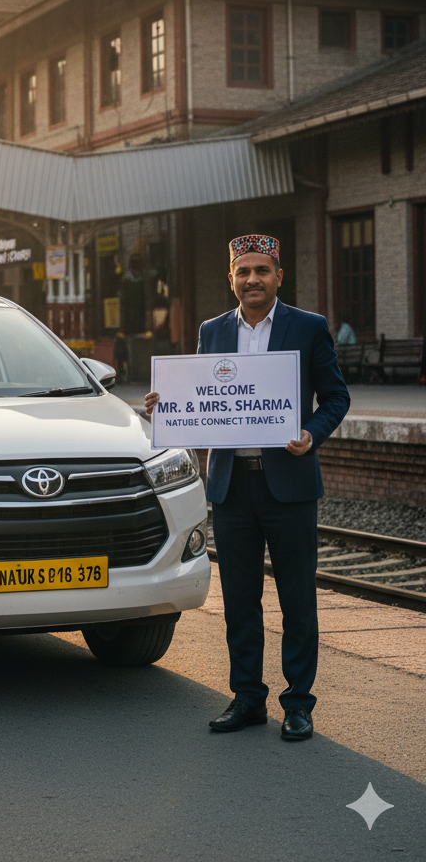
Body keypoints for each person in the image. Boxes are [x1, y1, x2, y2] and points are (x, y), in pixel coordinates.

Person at [145, 234, 349, 742]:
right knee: (240, 599)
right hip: (231, 488)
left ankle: (298, 704)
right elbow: (203, 398)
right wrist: (165, 408)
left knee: (298, 599)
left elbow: (336, 398)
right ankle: (248, 698)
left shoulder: (308, 327)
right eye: (243, 272)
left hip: (290, 485)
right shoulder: (212, 331)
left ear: (279, 276)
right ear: (231, 279)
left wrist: (311, 433)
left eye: (262, 270)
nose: (252, 279)